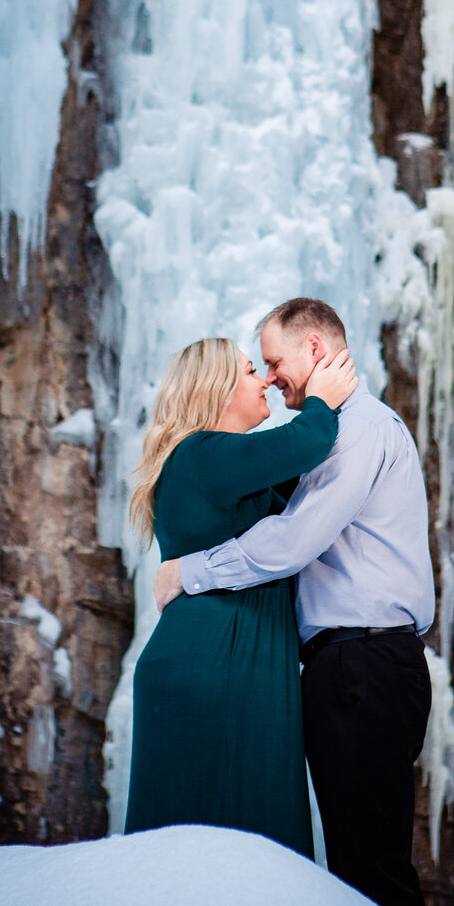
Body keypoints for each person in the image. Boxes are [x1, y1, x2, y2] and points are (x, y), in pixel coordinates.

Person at [154, 298, 435, 906]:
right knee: (362, 866)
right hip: (351, 666)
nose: (272, 377)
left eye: (275, 361)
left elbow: (290, 541)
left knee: (372, 871)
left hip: (361, 664)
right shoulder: (335, 433)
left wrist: (188, 572)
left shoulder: (355, 428)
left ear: (315, 351)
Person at [124, 334, 357, 857]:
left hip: (223, 659)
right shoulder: (203, 453)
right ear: (217, 387)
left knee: (226, 842)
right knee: (233, 839)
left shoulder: (222, 467)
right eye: (253, 371)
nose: (267, 381)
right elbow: (307, 441)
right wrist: (323, 395)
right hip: (216, 664)